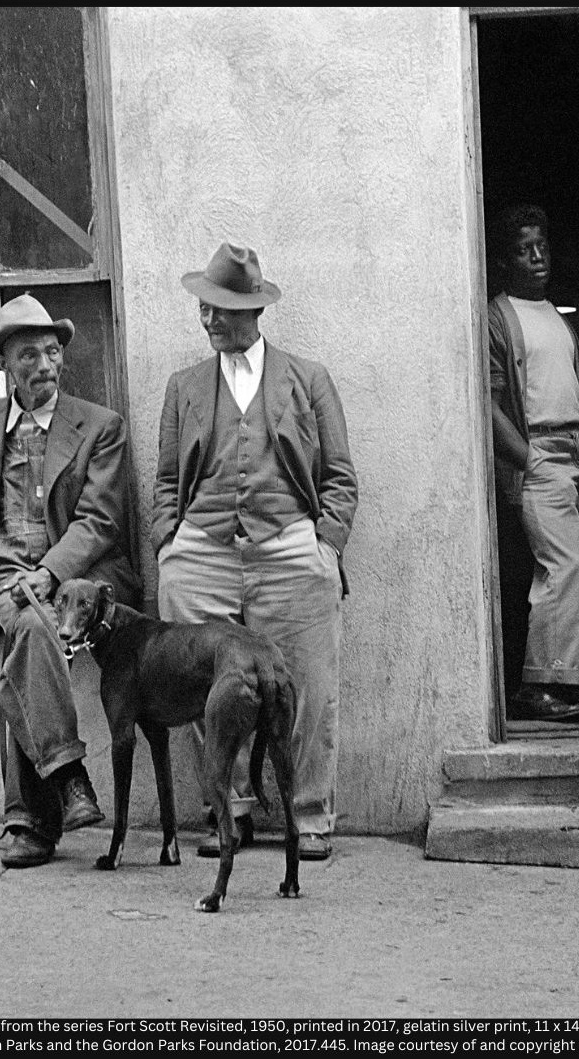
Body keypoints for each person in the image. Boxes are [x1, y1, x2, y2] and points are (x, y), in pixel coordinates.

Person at [0, 293, 142, 868]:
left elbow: (100, 520)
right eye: (28, 357)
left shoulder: (100, 426)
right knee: (28, 624)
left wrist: (49, 573)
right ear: (5, 366)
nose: (45, 366)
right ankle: (67, 777)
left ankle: (32, 821)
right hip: (1, 573)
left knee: (32, 631)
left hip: (71, 576)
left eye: (51, 352)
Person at [153, 242, 357, 862]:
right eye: (204, 309)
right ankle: (230, 810)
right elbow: (166, 481)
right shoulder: (184, 386)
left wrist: (324, 545)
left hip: (290, 545)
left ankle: (310, 815)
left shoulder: (307, 378)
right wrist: (169, 545)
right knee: (196, 686)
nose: (209, 320)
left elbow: (340, 476)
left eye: (221, 309)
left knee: (310, 685)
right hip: (202, 552)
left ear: (253, 311)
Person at [487, 204, 579, 724]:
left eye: (542, 247)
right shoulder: (499, 316)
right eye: (524, 249)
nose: (538, 258)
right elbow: (489, 402)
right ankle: (541, 684)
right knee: (562, 568)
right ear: (505, 260)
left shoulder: (558, 316)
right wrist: (526, 458)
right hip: (538, 454)